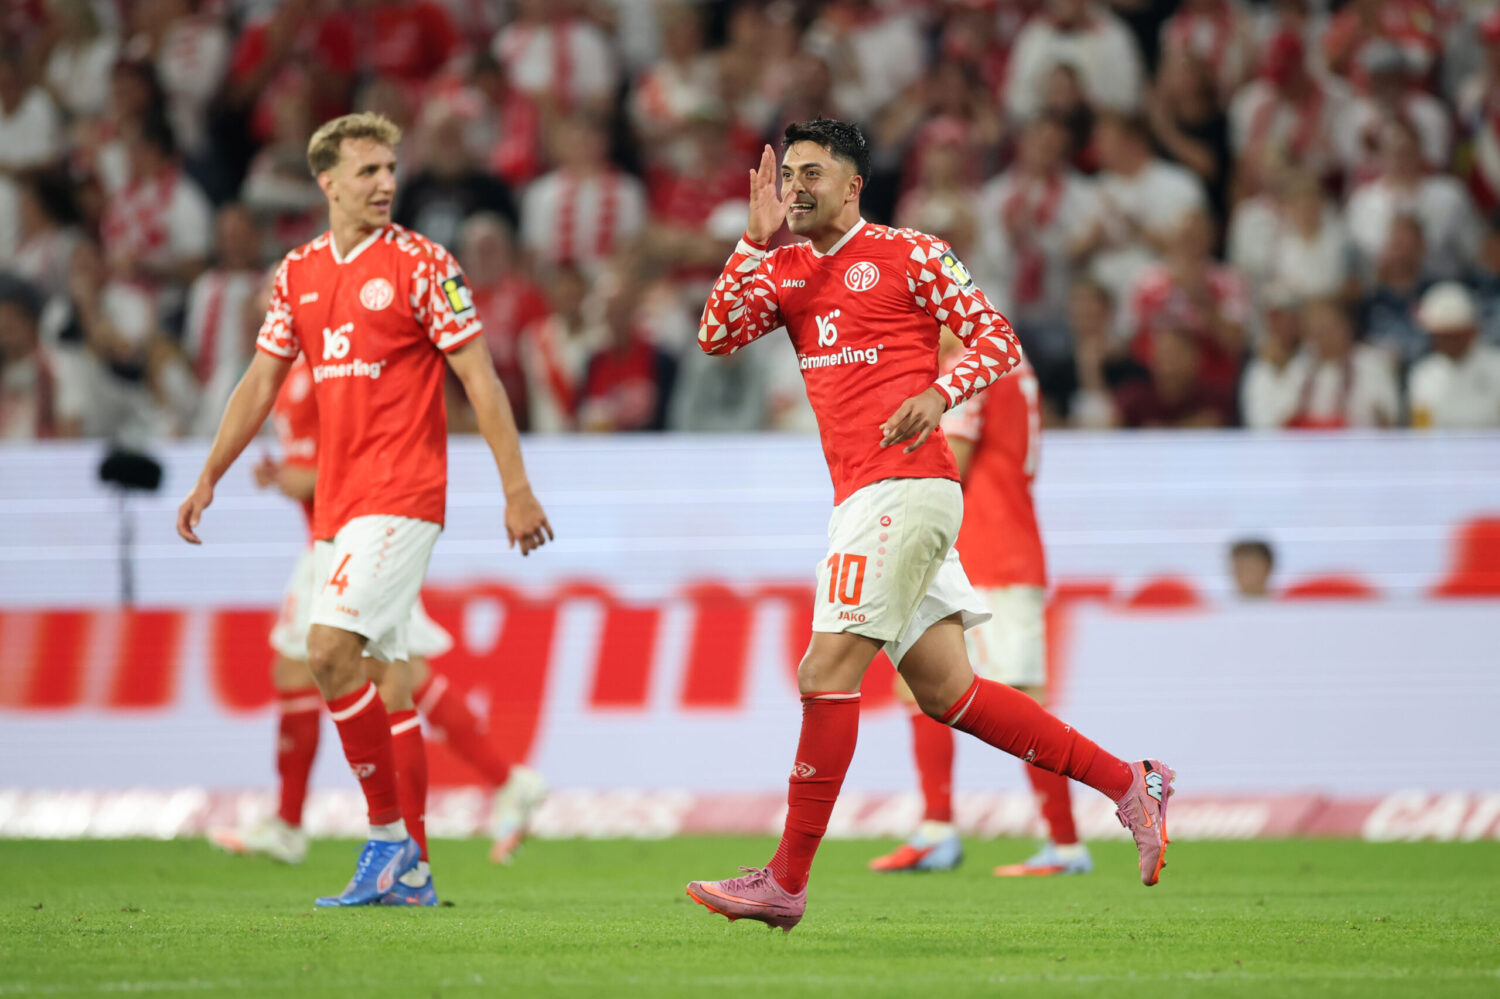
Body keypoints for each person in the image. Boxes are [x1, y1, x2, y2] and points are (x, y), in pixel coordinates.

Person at [685, 118, 1174, 933]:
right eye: (786, 174)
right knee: (951, 692)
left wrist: (941, 394)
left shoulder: (913, 252)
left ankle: (786, 878)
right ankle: (1133, 782)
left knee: (823, 670)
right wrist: (749, 241)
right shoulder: (787, 269)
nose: (794, 187)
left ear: (852, 184)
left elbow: (996, 338)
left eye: (811, 173)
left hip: (904, 485)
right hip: (867, 495)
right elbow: (713, 336)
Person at [176, 112, 552, 908]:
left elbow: (481, 381)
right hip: (338, 509)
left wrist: (516, 488)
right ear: (328, 183)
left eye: (391, 169)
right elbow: (259, 383)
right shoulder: (299, 271)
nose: (385, 183)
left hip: (403, 495)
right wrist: (211, 472)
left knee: (324, 649)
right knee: (389, 679)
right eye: (368, 171)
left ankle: (386, 841)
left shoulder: (424, 264)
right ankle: (409, 867)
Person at [208, 353, 549, 877]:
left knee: (382, 675)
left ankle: (369, 841)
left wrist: (290, 478)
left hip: (360, 536)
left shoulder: (332, 363)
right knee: (376, 671)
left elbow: (341, 460)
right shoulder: (297, 365)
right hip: (339, 537)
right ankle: (497, 790)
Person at [867, 343, 1092, 878]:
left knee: (1020, 697)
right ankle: (937, 830)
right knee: (916, 684)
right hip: (983, 549)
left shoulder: (970, 367)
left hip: (993, 554)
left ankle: (1064, 845)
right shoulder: (1011, 359)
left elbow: (948, 461)